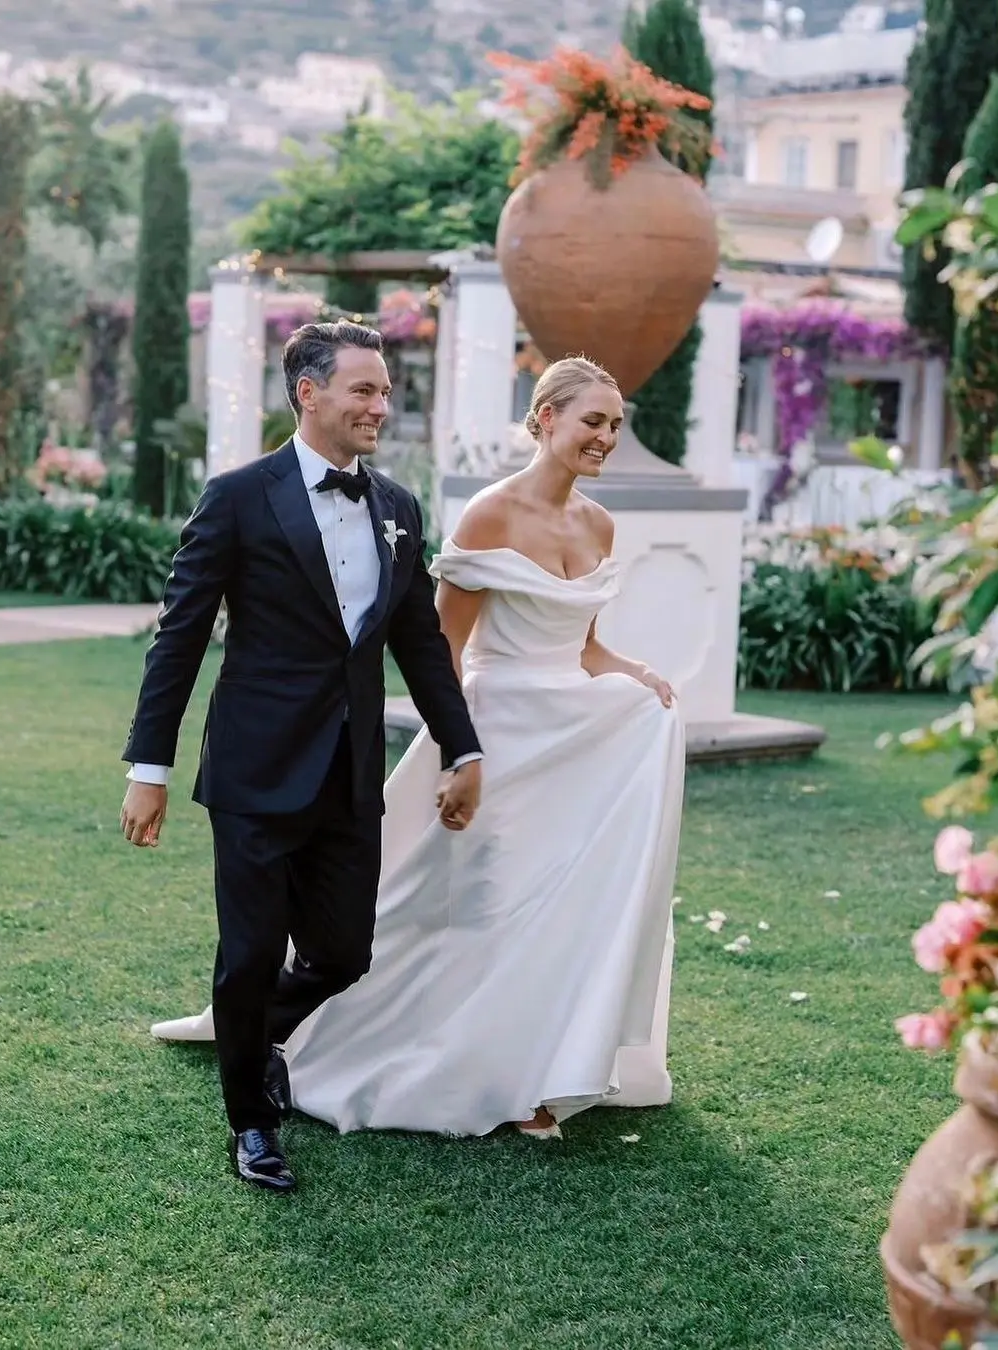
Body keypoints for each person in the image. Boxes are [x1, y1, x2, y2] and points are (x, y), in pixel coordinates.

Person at [151, 355, 686, 1141]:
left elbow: (586, 646)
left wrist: (632, 674)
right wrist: (459, 750)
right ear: (543, 420)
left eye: (615, 424)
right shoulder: (487, 516)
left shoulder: (592, 523)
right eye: (591, 421)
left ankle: (550, 1068)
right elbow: (444, 648)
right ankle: (269, 1073)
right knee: (472, 906)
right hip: (494, 731)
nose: (605, 436)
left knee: (561, 906)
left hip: (573, 740)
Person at [119, 320, 483, 1193]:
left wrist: (460, 745)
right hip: (254, 768)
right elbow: (180, 638)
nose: (380, 406)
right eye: (364, 389)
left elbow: (421, 642)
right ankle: (252, 1122)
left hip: (350, 772)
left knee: (343, 953)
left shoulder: (397, 507)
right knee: (247, 954)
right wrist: (149, 766)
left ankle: (254, 1034)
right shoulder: (238, 496)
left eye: (386, 390)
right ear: (307, 393)